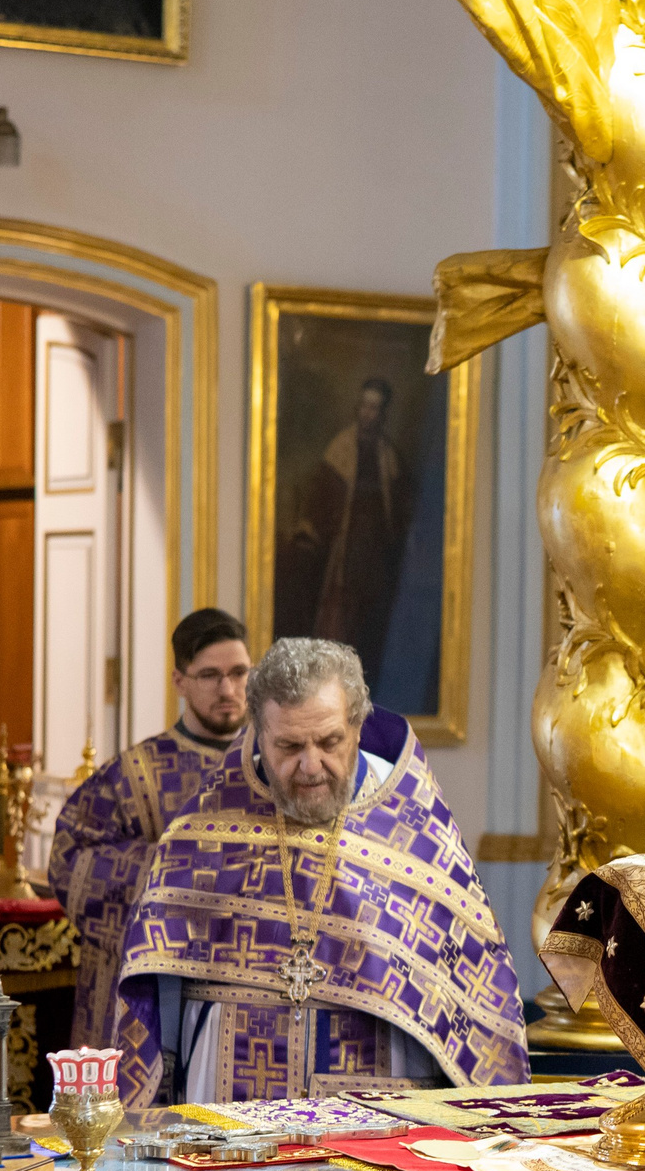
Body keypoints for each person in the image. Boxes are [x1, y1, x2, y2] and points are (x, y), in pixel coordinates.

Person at [113, 637, 527, 1105]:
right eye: (288, 746)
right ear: (257, 732)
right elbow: (155, 992)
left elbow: (469, 999)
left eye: (329, 742)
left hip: (376, 1098)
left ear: (356, 725)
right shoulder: (205, 829)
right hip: (229, 1096)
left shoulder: (415, 832)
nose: (311, 766)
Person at [47, 607, 248, 1048]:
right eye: (211, 675)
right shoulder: (136, 772)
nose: (228, 689)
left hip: (243, 985)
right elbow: (70, 857)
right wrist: (181, 868)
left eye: (239, 673)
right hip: (147, 985)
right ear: (180, 681)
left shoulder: (270, 766)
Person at [292, 375, 412, 677]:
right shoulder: (340, 448)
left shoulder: (388, 455)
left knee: (374, 626)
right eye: (364, 407)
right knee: (338, 624)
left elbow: (398, 510)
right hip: (343, 553)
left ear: (383, 413)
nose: (368, 414)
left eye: (375, 408)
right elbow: (321, 498)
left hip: (375, 556)